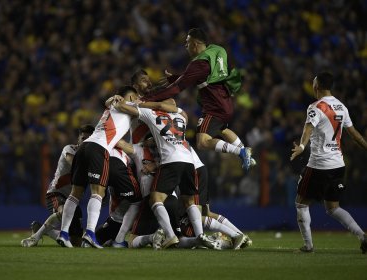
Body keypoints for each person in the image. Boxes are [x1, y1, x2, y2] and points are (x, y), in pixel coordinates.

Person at [141, 28, 255, 170]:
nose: (186, 46)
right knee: (223, 130)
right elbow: (200, 76)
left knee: (202, 142)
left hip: (214, 107)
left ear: (195, 44)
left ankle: (241, 151)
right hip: (225, 101)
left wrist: (147, 98)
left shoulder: (199, 63)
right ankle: (247, 153)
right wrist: (176, 78)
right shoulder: (216, 51)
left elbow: (177, 88)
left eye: (187, 43)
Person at [114, 97, 215, 249]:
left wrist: (133, 103)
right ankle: (199, 236)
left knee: (155, 199)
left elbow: (124, 108)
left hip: (171, 161)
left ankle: (170, 236)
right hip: (188, 161)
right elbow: (170, 106)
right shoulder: (182, 115)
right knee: (189, 202)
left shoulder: (151, 114)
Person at [290, 71, 367, 254]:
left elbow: (307, 130)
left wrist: (301, 146)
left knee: (301, 203)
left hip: (319, 164)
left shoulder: (316, 107)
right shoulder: (341, 106)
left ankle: (308, 246)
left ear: (316, 86)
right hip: (338, 165)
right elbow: (354, 134)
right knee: (333, 208)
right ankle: (362, 236)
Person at [56, 86, 135, 249]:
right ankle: (90, 234)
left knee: (75, 193)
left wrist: (114, 98)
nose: (136, 99)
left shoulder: (113, 105)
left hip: (84, 147)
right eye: (133, 96)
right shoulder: (128, 106)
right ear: (128, 97)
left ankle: (64, 234)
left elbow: (108, 101)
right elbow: (145, 106)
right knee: (98, 192)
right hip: (99, 148)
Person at [21, 124, 95, 247]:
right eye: (83, 138)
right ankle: (35, 238)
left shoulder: (91, 158)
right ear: (78, 139)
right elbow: (73, 164)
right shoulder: (70, 149)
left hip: (73, 198)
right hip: (56, 193)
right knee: (63, 211)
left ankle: (48, 231)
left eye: (89, 139)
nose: (85, 141)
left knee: (75, 243)